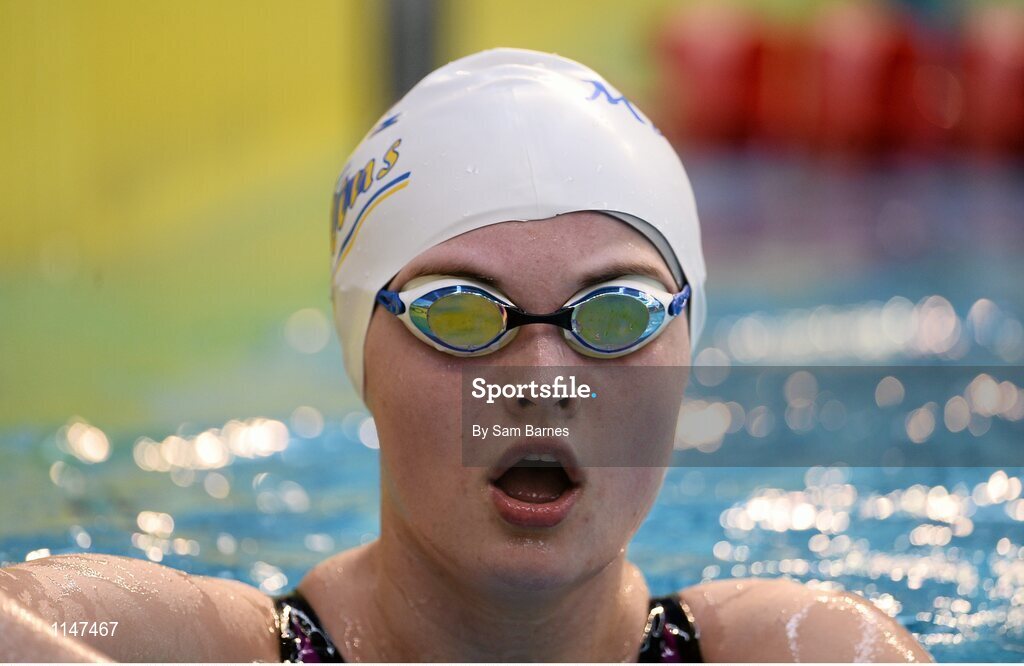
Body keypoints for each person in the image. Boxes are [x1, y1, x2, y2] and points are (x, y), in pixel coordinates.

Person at [0, 48, 931, 663]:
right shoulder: (210, 648)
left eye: (614, 314)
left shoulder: (805, 651)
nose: (539, 379)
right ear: (362, 357)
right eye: (460, 315)